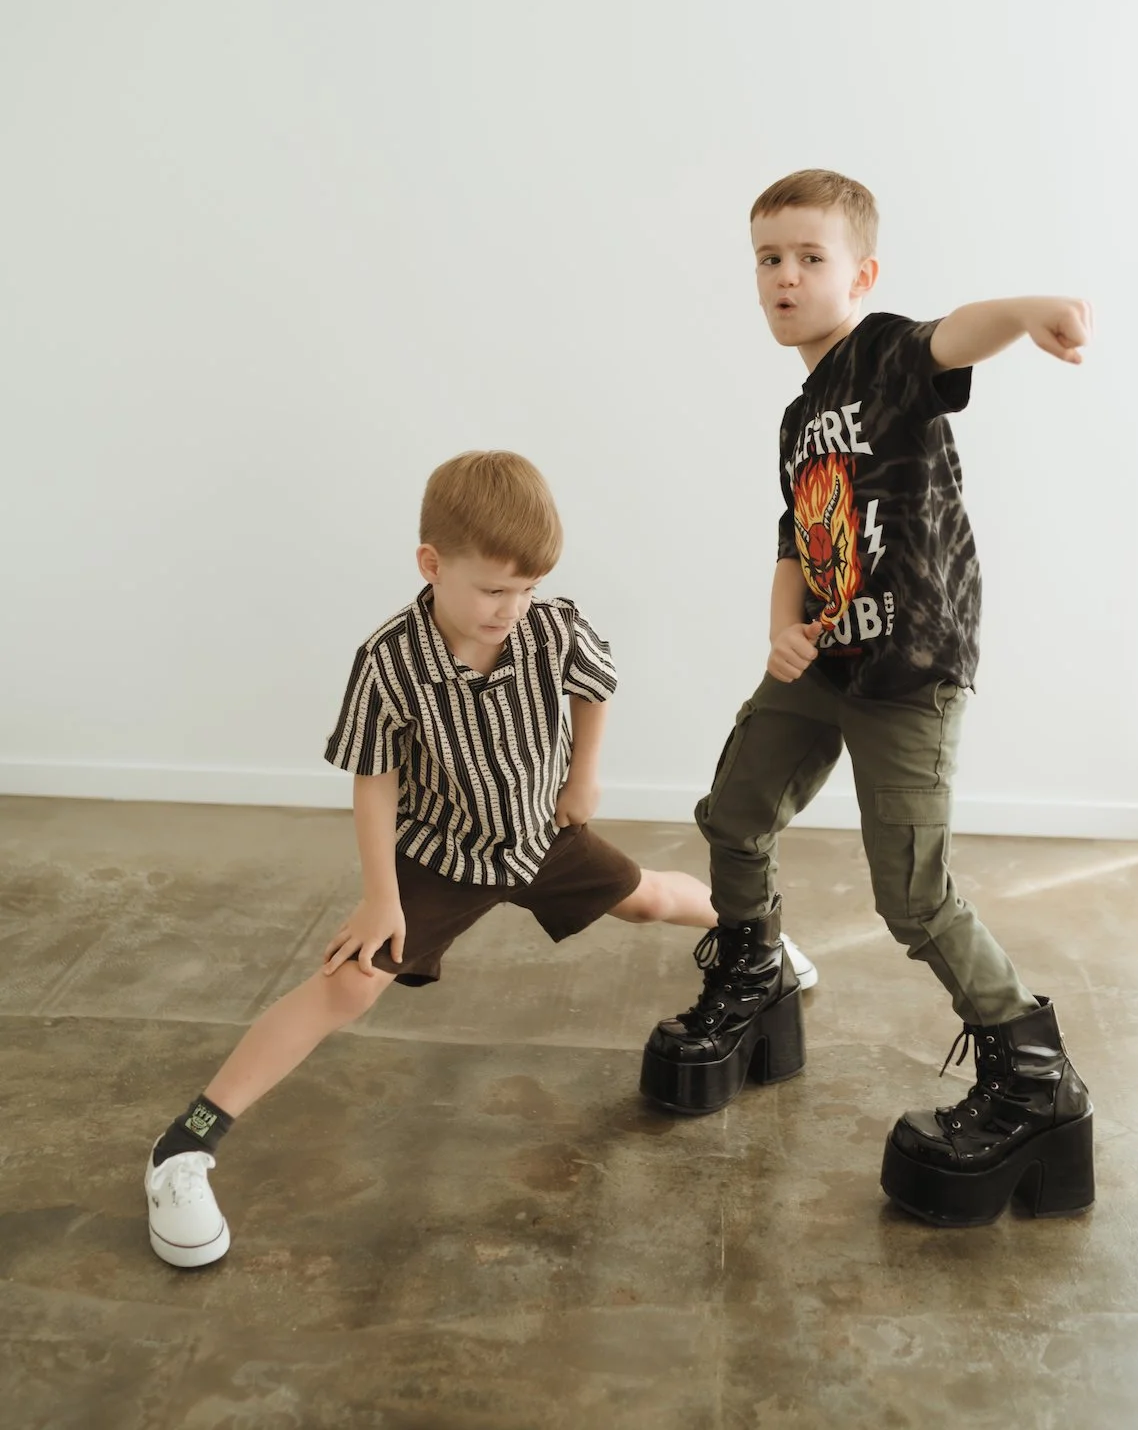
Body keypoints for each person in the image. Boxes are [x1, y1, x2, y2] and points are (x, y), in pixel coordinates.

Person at [143, 450, 816, 1267]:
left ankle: (759, 939)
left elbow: (594, 685)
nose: (513, 608)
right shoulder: (389, 662)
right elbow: (373, 781)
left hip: (538, 834)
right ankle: (184, 1148)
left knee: (648, 899)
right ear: (432, 565)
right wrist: (381, 896)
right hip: (443, 852)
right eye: (495, 590)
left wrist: (583, 775)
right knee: (349, 984)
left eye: (528, 588)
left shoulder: (549, 626)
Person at [639, 171, 1095, 1228]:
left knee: (913, 898)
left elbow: (955, 335)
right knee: (734, 811)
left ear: (862, 275)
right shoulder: (800, 414)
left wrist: (1027, 311)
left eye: (810, 258)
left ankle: (1034, 1077)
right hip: (820, 666)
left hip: (907, 673)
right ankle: (753, 977)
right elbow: (795, 538)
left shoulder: (885, 354)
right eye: (768, 259)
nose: (785, 277)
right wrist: (781, 629)